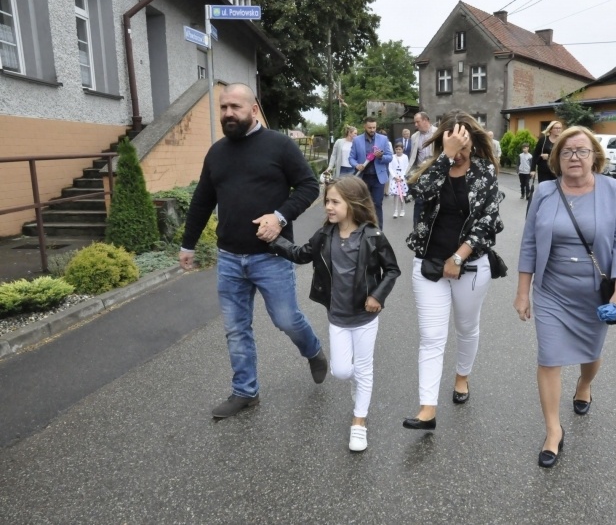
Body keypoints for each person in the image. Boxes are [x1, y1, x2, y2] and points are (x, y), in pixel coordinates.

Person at [179, 83, 327, 419]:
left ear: (254, 109)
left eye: (235, 106)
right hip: (230, 259)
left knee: (286, 320)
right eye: (223, 107)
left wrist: (279, 217)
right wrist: (187, 244)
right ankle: (245, 391)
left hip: (271, 257)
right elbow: (202, 200)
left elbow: (308, 185)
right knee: (235, 328)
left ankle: (313, 349)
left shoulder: (280, 146)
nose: (228, 113)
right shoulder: (216, 153)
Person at [513, 125, 616, 468]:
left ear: (595, 155)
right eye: (566, 152)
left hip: (595, 292)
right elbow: (530, 242)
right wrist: (523, 291)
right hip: (552, 289)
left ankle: (584, 384)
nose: (574, 157)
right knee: (549, 357)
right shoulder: (545, 192)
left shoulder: (615, 191)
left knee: (591, 354)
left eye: (581, 151)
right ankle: (553, 430)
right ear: (557, 159)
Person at [266, 176, 401, 452]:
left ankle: (359, 422)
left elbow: (392, 270)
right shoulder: (325, 235)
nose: (328, 206)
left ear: (353, 203)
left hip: (365, 318)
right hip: (337, 317)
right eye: (327, 200)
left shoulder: (373, 237)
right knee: (341, 371)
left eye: (334, 201)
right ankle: (358, 383)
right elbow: (301, 254)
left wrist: (377, 296)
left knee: (364, 369)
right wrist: (274, 241)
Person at [402, 110, 504, 431]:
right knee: (431, 337)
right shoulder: (432, 168)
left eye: (463, 145)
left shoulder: (485, 172)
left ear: (473, 142)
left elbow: (489, 223)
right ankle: (427, 410)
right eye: (453, 144)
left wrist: (458, 257)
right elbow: (415, 193)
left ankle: (462, 377)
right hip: (428, 263)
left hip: (470, 266)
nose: (459, 152)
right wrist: (445, 158)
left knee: (466, 327)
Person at [349, 117, 393, 229]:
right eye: (370, 127)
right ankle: (363, 229)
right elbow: (351, 158)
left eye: (374, 127)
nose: (372, 129)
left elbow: (389, 157)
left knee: (377, 204)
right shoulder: (357, 140)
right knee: (362, 205)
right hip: (363, 178)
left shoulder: (383, 139)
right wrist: (356, 165)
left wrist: (381, 156)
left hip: (378, 178)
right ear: (364, 127)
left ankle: (378, 231)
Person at [407, 112, 437, 224]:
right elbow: (413, 157)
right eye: (414, 122)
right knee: (419, 201)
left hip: (435, 173)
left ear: (426, 120)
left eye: (417, 122)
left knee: (434, 201)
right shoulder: (414, 136)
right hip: (421, 173)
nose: (415, 124)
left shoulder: (438, 133)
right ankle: (417, 229)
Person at [389, 143, 409, 218]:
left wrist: (402, 176)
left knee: (402, 195)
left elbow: (406, 167)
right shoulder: (392, 157)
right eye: (396, 149)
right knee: (396, 195)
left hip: (402, 178)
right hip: (395, 178)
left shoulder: (405, 157)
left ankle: (402, 210)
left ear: (402, 149)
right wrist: (394, 176)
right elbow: (390, 167)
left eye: (400, 149)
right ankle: (395, 211)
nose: (398, 151)